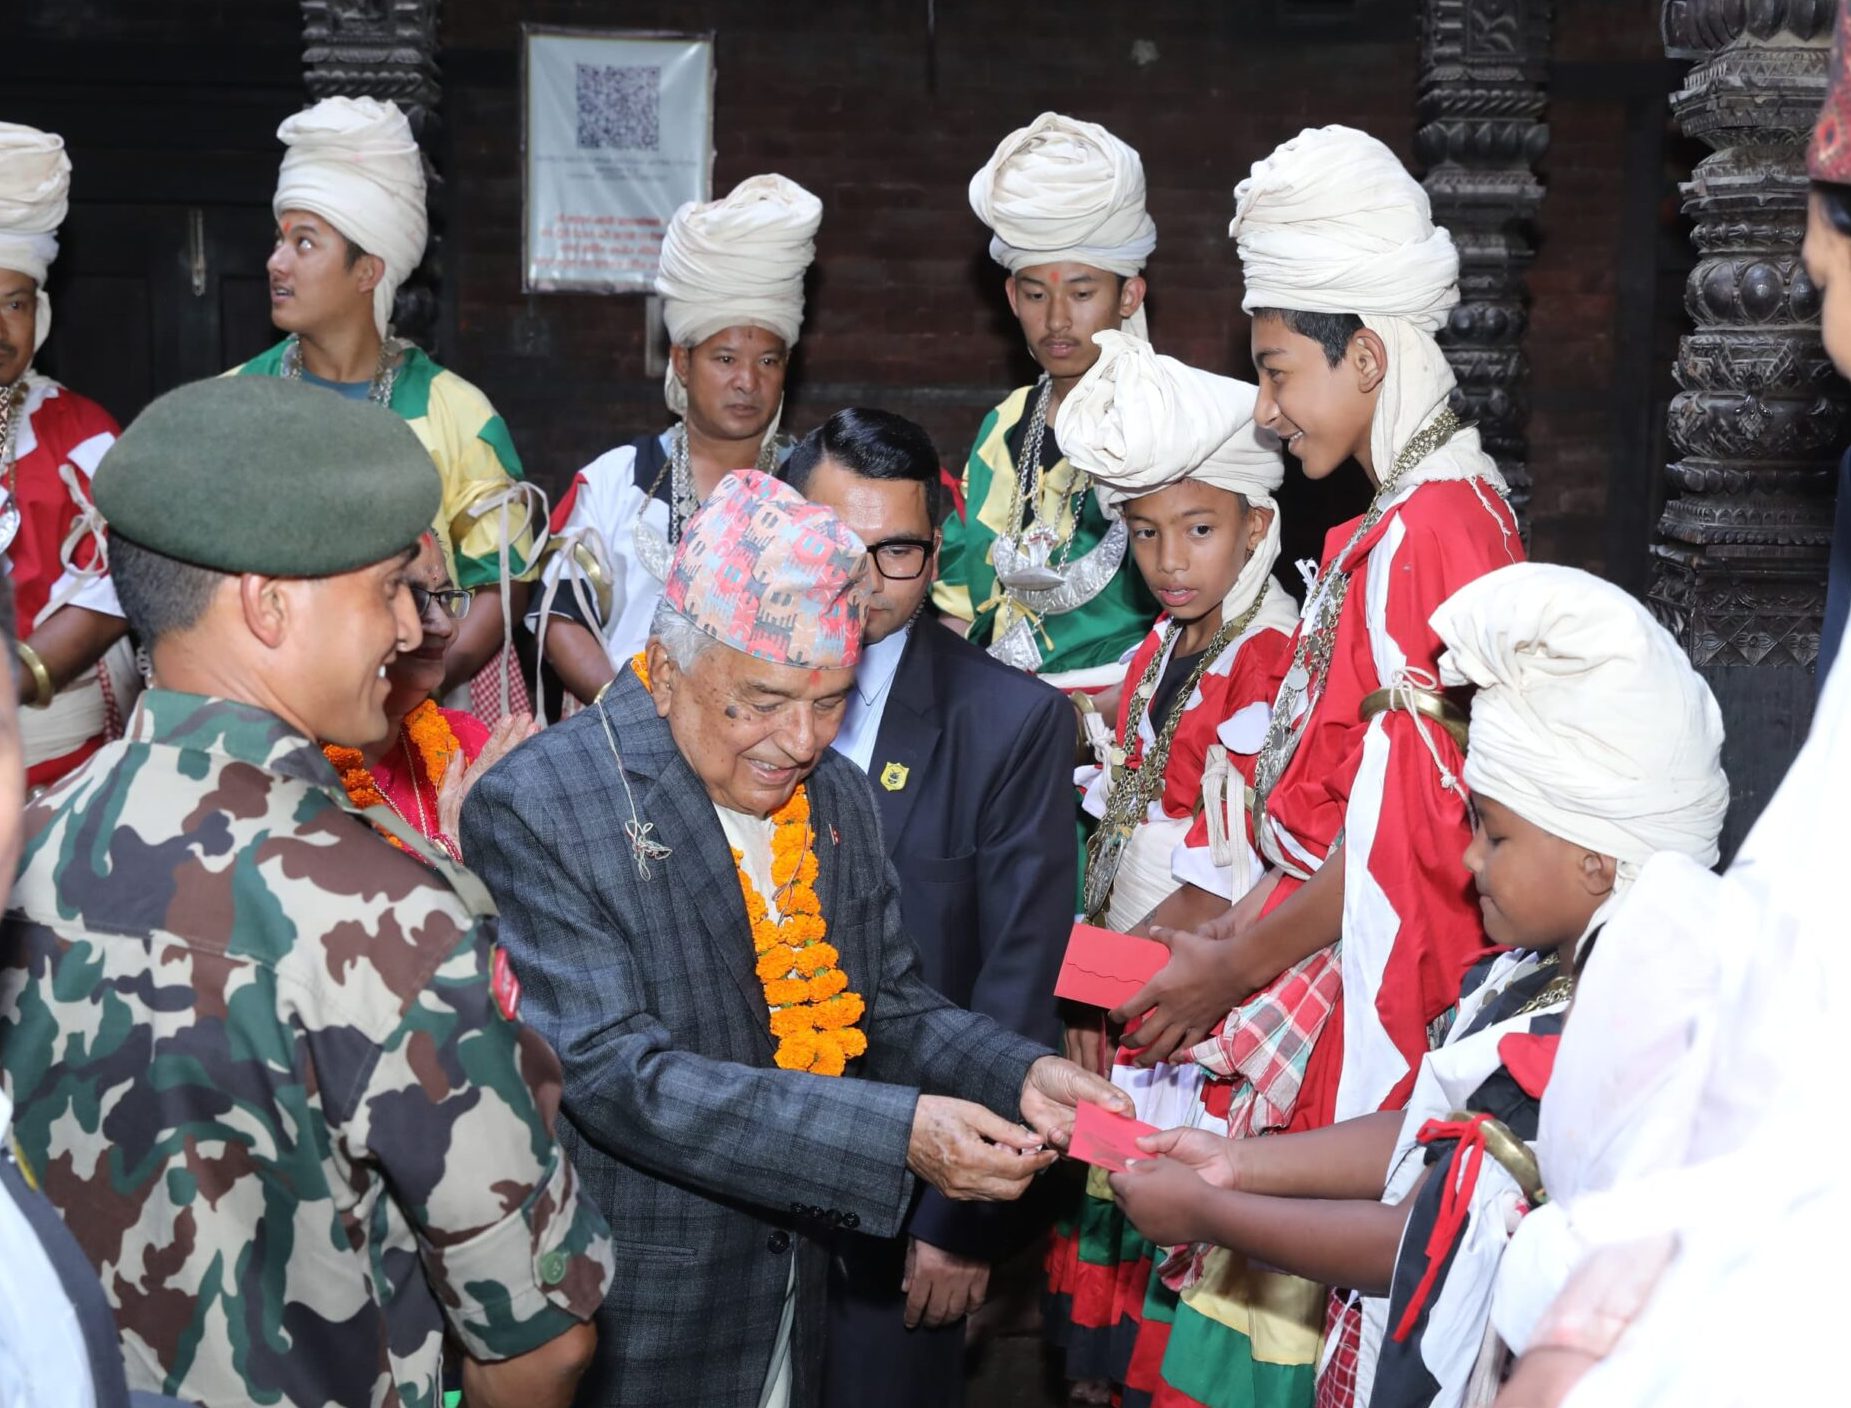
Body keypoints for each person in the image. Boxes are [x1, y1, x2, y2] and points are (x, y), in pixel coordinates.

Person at [0, 377, 613, 1408]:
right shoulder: (387, 917)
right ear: (269, 604)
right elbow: (539, 1342)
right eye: (385, 588)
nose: (412, 630)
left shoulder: (39, 846)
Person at [461, 469, 1130, 1407]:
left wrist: (1015, 1073)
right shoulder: (544, 804)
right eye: (763, 701)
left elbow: (884, 1001)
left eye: (830, 703)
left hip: (792, 1301)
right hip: (635, 1313)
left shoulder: (834, 794)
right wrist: (898, 1133)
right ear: (670, 661)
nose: (801, 740)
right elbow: (616, 1074)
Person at [1109, 126, 1525, 1408]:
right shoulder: (1412, 515)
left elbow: (1402, 850)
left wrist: (1238, 959)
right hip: (1334, 972)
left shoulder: (1430, 529)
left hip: (1380, 1011)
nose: (1270, 408)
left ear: (1370, 353)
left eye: (1281, 371)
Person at [1106, 563, 1727, 1408]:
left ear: (1595, 859)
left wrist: (1212, 1214)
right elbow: (1433, 1134)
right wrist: (1234, 1162)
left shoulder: (1605, 1026)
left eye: (1495, 836)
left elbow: (1420, 1242)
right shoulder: (1538, 973)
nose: (1468, 858)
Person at [778, 409, 1076, 1408]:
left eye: (895, 551)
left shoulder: (1011, 724)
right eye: (834, 546)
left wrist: (960, 1215)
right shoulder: (708, 700)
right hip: (729, 1184)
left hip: (905, 1203)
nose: (862, 579)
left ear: (935, 554)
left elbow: (1016, 978)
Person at [1034, 331, 1299, 1399]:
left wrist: (1097, 981)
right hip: (1128, 986)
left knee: (1168, 1222)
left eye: (1198, 530)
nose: (1169, 560)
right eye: (1145, 534)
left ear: (1258, 525)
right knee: (1109, 1253)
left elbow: (1228, 872)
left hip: (1187, 999)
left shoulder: (1264, 657)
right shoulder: (1163, 647)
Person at [232, 95, 541, 720]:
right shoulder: (233, 400)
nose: (276, 263)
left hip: (416, 717)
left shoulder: (455, 411)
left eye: (305, 243)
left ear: (368, 270)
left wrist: (420, 679)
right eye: (278, 240)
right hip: (264, 712)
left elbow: (502, 581)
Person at [536, 174, 820, 706]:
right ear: (683, 362)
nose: (747, 382)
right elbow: (560, 617)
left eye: (768, 361)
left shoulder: (809, 484)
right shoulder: (618, 479)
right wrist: (624, 710)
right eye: (726, 359)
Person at [934, 113, 1159, 688]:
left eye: (1082, 293)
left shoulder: (1169, 425)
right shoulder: (1004, 426)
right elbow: (959, 608)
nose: (1057, 320)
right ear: (1011, 296)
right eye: (1036, 294)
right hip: (998, 707)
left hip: (1121, 717)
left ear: (1129, 294)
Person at [0, 121, 137, 789]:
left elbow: (117, 584)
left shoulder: (80, 432)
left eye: (15, 303)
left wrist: (16, 676)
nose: (1, 328)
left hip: (63, 784)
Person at [321, 530, 536, 861]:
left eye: (446, 598)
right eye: (414, 599)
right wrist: (452, 842)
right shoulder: (300, 765)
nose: (444, 627)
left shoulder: (468, 743)